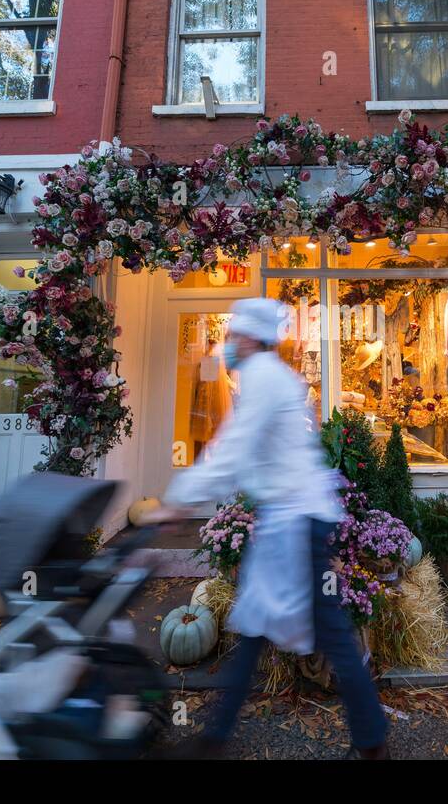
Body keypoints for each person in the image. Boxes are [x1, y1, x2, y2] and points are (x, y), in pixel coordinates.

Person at [152, 297, 390, 758]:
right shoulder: (268, 376)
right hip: (296, 520)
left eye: (229, 336)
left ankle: (370, 741)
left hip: (297, 523)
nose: (225, 345)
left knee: (324, 633)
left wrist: (177, 500)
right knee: (258, 625)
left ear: (247, 337)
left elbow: (234, 449)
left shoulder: (262, 377)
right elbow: (239, 449)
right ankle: (216, 738)